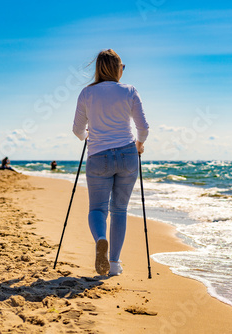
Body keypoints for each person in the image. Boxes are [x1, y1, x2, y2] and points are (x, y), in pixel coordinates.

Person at [73, 49, 149, 276]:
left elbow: (77, 130)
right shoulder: (130, 91)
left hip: (98, 156)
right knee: (119, 210)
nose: (123, 70)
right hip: (127, 155)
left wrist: (87, 136)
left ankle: (100, 239)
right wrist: (139, 144)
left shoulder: (87, 93)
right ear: (117, 69)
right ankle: (114, 264)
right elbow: (143, 128)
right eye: (122, 67)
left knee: (97, 208)